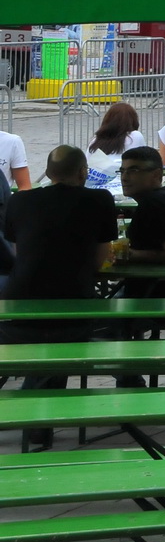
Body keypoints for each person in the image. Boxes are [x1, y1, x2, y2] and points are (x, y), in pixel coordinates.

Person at [0, 145, 118, 448]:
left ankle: (36, 420)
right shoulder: (99, 200)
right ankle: (40, 420)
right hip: (73, 300)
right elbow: (98, 261)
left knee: (43, 344)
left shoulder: (20, 201)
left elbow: (19, 250)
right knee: (63, 339)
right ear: (83, 172)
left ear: (49, 173)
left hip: (20, 301)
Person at [114, 147, 165, 298]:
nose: (124, 177)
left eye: (133, 171)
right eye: (122, 171)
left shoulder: (153, 204)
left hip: (157, 301)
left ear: (157, 174)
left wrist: (127, 254)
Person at [87, 102, 146, 168]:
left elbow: (87, 163)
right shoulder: (135, 136)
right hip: (123, 176)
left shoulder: (95, 140)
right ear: (132, 120)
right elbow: (144, 160)